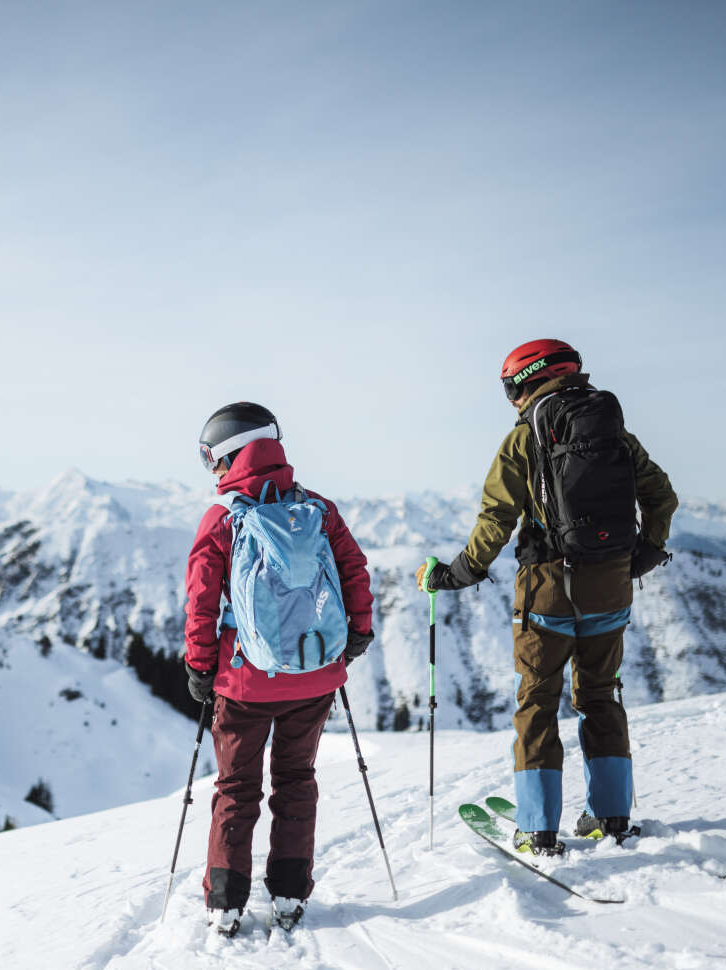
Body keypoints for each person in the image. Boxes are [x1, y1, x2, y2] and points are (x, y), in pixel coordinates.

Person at [417, 339, 678, 854]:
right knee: (600, 696)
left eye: (510, 386)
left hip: (547, 590)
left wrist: (457, 574)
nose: (511, 398)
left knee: (537, 699)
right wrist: (645, 553)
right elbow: (661, 496)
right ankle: (613, 817)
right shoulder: (615, 433)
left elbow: (496, 519)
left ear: (526, 381)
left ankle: (538, 827)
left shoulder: (524, 438)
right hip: (610, 585)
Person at [184, 402, 374, 934]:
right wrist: (355, 636)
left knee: (236, 789)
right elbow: (354, 571)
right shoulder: (318, 509)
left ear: (228, 454)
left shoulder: (223, 518)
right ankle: (290, 893)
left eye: (210, 460)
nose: (213, 472)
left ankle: (226, 899)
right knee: (296, 780)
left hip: (245, 682)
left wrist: (200, 667)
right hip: (314, 675)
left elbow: (201, 600)